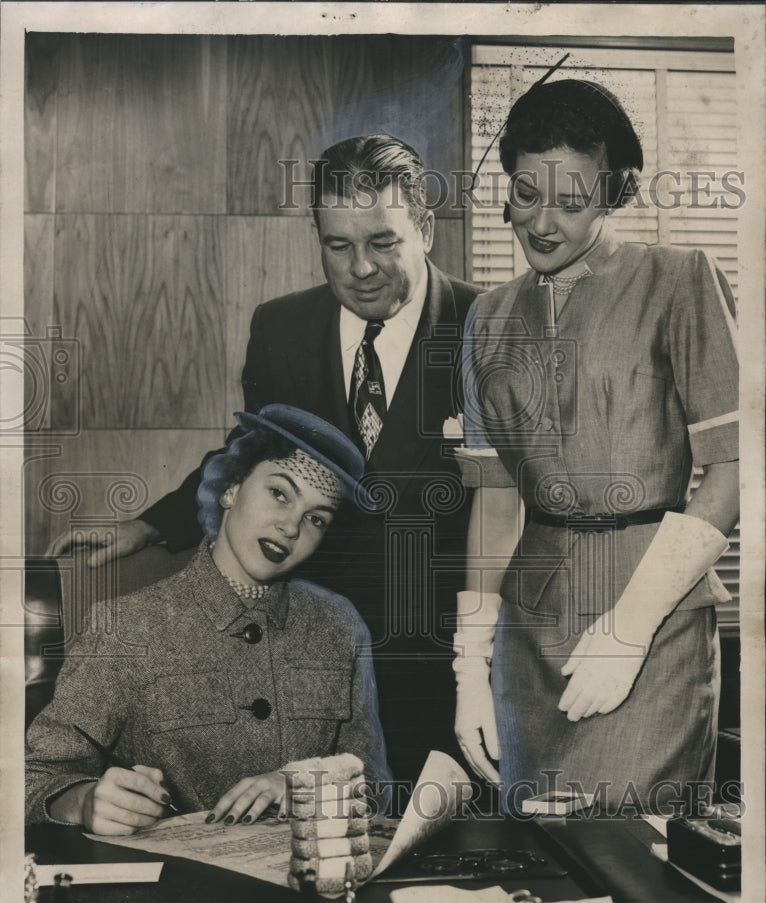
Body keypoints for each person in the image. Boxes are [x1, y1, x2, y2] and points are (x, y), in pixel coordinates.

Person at [48, 134, 482, 790]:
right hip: (315, 664)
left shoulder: (486, 326)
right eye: (338, 245)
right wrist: (148, 527)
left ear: (423, 228)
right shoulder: (282, 327)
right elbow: (255, 452)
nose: (360, 268)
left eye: (383, 242)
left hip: (445, 671)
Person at [452, 77, 739, 814]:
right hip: (529, 630)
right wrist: (469, 664)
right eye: (524, 193)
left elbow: (738, 467)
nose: (542, 222)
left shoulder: (678, 282)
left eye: (572, 202)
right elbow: (493, 497)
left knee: (632, 854)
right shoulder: (486, 319)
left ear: (613, 194)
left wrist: (632, 625)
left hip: (655, 618)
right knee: (531, 860)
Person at [26, 405, 392, 833]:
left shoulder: (338, 624)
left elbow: (373, 784)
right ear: (232, 489)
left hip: (308, 885)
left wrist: (307, 786)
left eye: (316, 518)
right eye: (279, 493)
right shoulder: (127, 628)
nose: (291, 526)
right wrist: (83, 801)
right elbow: (32, 778)